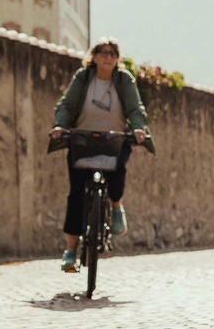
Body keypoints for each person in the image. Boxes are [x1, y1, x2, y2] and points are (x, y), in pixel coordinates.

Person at [48, 38, 151, 272]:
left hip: (114, 138)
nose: (108, 57)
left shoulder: (124, 80)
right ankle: (70, 250)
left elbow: (135, 108)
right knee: (76, 194)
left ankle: (116, 208)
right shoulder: (83, 78)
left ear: (118, 59)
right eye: (103, 52)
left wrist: (138, 128)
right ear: (93, 56)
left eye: (113, 53)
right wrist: (60, 126)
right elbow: (66, 105)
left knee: (118, 170)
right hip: (82, 138)